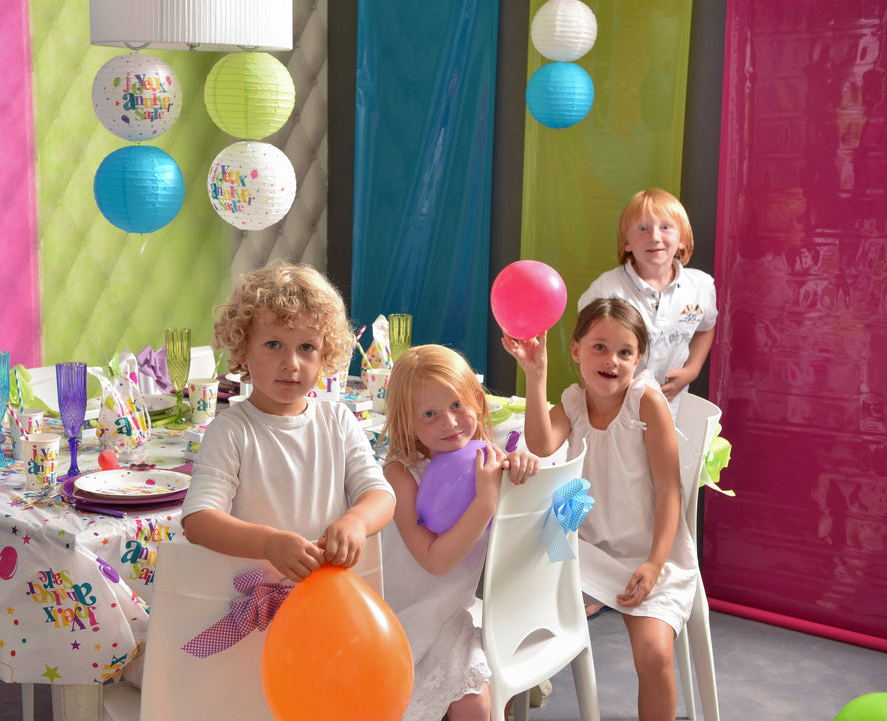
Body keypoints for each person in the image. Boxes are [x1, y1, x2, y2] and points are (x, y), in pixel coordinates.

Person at [502, 298, 697, 721]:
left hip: (649, 555)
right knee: (512, 609)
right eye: (599, 348)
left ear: (638, 359)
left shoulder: (647, 403)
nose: (612, 361)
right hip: (584, 547)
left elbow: (669, 491)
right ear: (576, 350)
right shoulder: (574, 402)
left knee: (654, 655)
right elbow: (540, 444)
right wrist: (535, 376)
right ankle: (501, 694)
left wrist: (654, 564)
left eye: (625, 352)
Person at [180, 262, 395, 582]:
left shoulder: (338, 421)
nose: (291, 363)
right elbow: (198, 521)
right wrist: (268, 544)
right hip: (254, 604)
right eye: (273, 344)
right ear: (242, 348)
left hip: (329, 594)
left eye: (306, 347)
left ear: (326, 354)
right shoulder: (230, 431)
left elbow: (380, 495)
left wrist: (357, 522)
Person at [379, 344, 541, 721]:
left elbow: (530, 506)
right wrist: (486, 500)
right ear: (406, 423)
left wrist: (522, 466)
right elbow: (436, 563)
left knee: (475, 704)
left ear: (478, 402)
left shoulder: (488, 460)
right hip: (398, 618)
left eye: (457, 406)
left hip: (453, 615)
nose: (449, 423)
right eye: (430, 414)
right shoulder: (400, 476)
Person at [578, 188, 717, 412]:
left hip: (672, 409)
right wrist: (597, 411)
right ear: (627, 243)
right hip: (615, 411)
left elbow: (706, 327)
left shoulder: (701, 287)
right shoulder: (605, 291)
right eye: (642, 228)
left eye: (665, 227)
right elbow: (586, 351)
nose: (654, 237)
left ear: (681, 239)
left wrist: (692, 370)